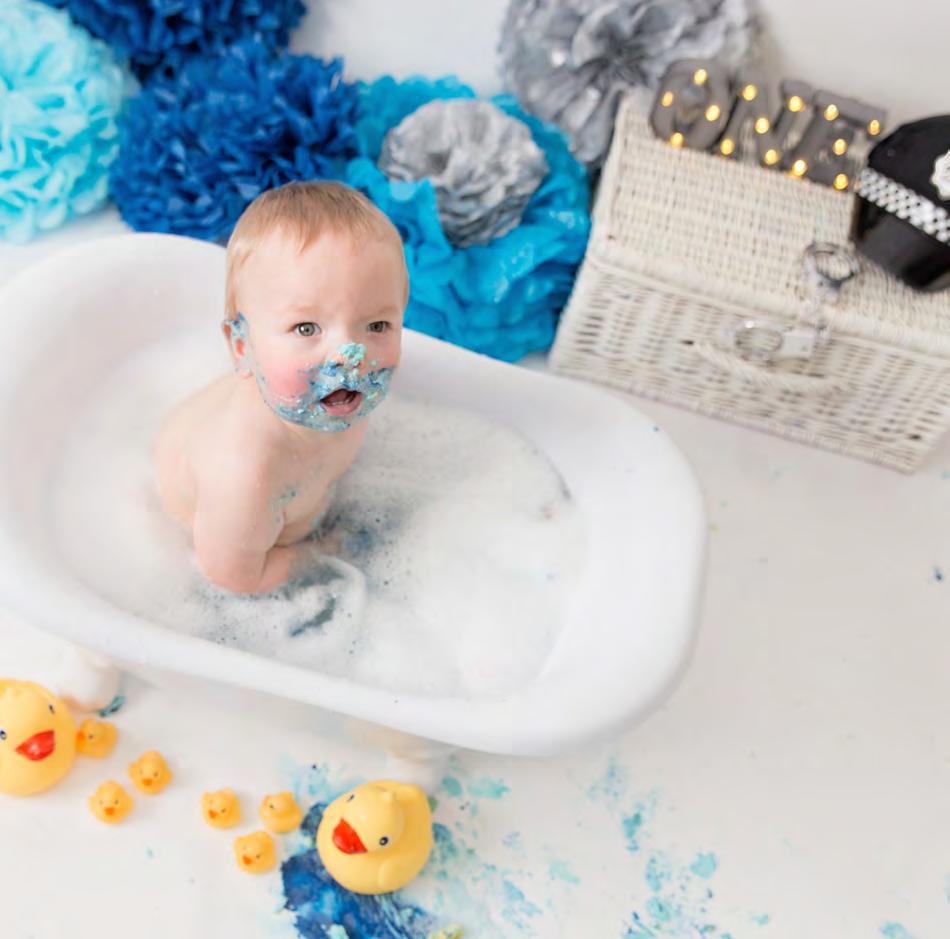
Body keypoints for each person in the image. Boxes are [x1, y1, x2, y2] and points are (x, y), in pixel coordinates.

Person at [154, 180, 408, 594]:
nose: (350, 355)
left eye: (377, 325)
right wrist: (320, 554)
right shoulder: (244, 475)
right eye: (306, 328)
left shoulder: (332, 399)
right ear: (242, 346)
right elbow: (233, 576)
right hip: (226, 542)